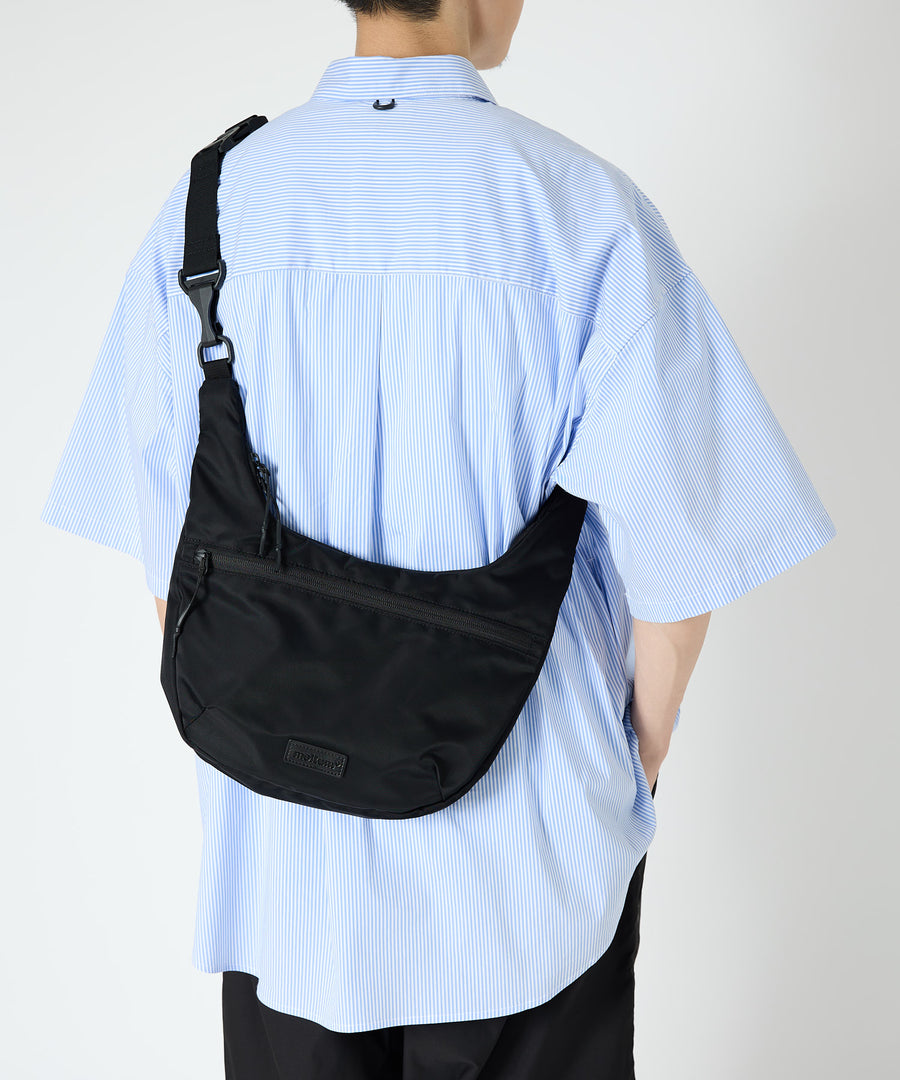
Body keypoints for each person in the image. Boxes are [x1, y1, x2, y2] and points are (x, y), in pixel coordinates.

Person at [38, 0, 837, 1077]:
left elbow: (170, 563)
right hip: (529, 865)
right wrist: (635, 764)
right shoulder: (581, 209)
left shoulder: (211, 210)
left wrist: (276, 722)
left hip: (290, 866)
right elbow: (679, 567)